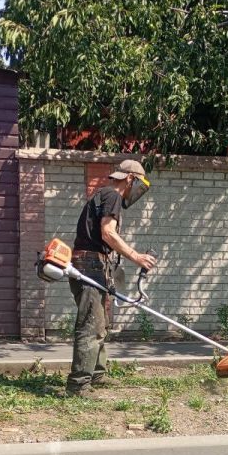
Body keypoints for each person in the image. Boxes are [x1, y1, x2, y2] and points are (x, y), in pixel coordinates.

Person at [66, 159, 157, 396]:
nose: (138, 191)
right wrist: (135, 256)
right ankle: (78, 386)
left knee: (101, 324)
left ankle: (96, 374)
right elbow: (108, 233)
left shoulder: (103, 195)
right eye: (140, 184)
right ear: (130, 179)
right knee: (91, 326)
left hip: (93, 264)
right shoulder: (112, 195)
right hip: (90, 264)